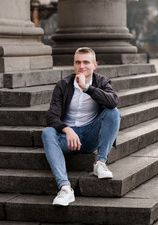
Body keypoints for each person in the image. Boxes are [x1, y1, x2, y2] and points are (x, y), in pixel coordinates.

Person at [42, 47, 121, 206]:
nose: (82, 66)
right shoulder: (63, 85)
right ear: (74, 64)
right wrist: (66, 129)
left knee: (113, 113)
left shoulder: (101, 82)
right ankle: (65, 188)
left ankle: (100, 163)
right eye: (78, 62)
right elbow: (51, 116)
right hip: (68, 139)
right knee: (48, 133)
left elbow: (113, 101)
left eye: (86, 62)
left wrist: (87, 88)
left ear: (95, 65)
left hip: (91, 136)